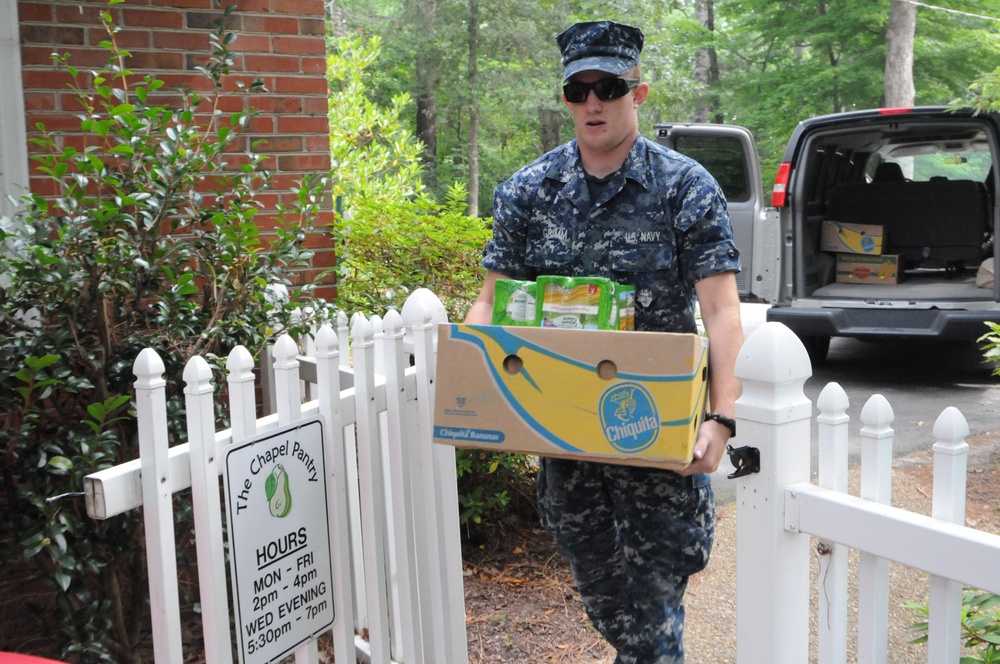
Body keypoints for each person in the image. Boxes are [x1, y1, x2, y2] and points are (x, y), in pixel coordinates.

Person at [463, 19, 744, 664]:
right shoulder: (527, 192)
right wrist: (469, 377)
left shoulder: (684, 187)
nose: (592, 101)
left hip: (656, 433)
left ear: (637, 93)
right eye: (577, 89)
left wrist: (721, 418)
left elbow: (722, 310)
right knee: (603, 597)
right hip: (566, 434)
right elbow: (491, 299)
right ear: (564, 96)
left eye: (608, 86)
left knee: (653, 608)